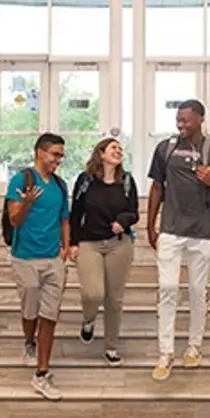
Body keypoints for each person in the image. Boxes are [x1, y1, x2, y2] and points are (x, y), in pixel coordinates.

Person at [147, 99, 210, 381]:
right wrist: (151, 224)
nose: (180, 124)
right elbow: (157, 187)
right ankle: (166, 352)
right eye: (178, 120)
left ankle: (194, 346)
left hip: (200, 232)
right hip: (170, 230)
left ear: (200, 119)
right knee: (168, 288)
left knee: (198, 292)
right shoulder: (165, 148)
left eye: (185, 120)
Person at [6, 132, 70, 400]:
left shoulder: (60, 185)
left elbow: (64, 218)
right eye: (55, 154)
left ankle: (42, 372)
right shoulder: (22, 180)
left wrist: (66, 247)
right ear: (39, 152)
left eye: (61, 156)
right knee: (30, 311)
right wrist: (28, 203)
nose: (58, 160)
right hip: (25, 258)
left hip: (54, 258)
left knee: (50, 315)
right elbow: (14, 220)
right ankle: (28, 342)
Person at [70, 137, 139, 365]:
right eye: (113, 148)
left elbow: (134, 212)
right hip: (89, 243)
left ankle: (111, 346)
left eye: (120, 149)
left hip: (119, 244)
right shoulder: (85, 180)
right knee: (93, 293)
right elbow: (75, 212)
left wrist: (123, 221)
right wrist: (72, 242)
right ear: (100, 154)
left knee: (114, 299)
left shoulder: (127, 181)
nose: (118, 151)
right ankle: (88, 320)